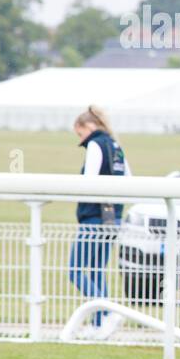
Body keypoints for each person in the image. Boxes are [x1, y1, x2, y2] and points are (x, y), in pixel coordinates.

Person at [71, 106, 130, 338]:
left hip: (94, 217)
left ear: (87, 127)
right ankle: (99, 325)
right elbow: (129, 179)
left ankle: (106, 313)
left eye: (79, 134)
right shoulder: (117, 146)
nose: (81, 140)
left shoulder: (95, 144)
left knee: (75, 270)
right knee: (97, 270)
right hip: (114, 217)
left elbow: (90, 181)